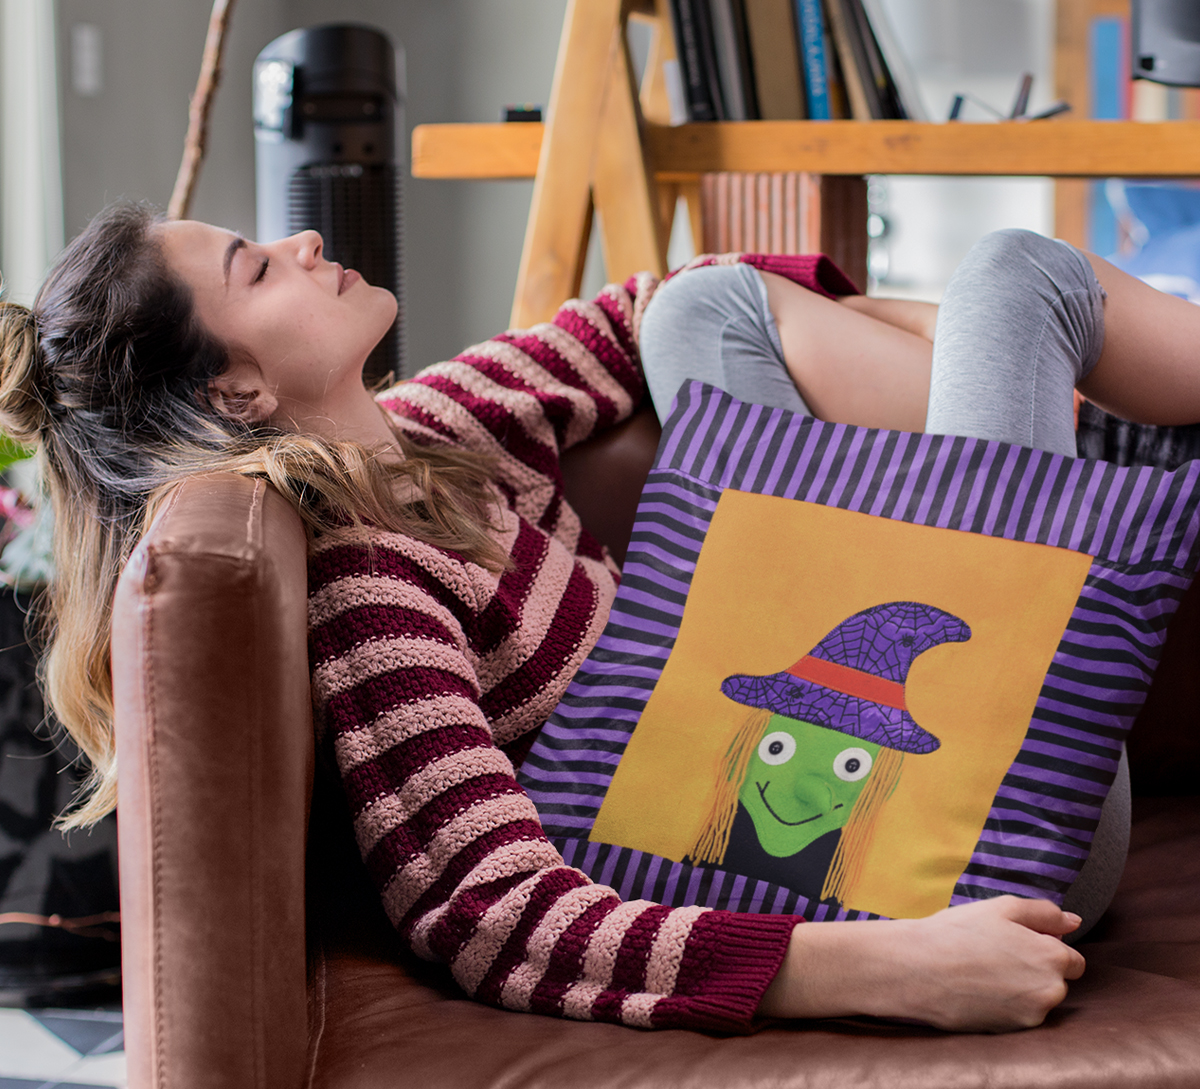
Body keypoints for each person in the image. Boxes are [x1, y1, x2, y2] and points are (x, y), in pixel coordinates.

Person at [1, 204, 1190, 1035]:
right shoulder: (367, 594)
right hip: (945, 852)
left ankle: (1109, 444)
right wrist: (888, 968)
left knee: (702, 309)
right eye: (257, 269)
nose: (302, 242)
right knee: (1015, 280)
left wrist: (921, 333)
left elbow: (637, 312)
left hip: (847, 715)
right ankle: (1121, 449)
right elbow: (487, 913)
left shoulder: (429, 433)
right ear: (239, 391)